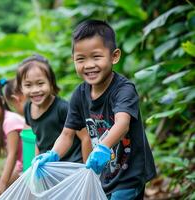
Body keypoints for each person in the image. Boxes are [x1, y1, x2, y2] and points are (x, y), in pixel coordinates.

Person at [33, 20, 156, 199]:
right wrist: (52, 155)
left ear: (114, 56)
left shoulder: (123, 90)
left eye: (96, 57)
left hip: (130, 172)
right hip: (104, 174)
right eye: (81, 59)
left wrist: (103, 148)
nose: (89, 65)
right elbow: (67, 134)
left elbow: (122, 124)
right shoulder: (79, 95)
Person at [16, 54, 92, 162]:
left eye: (40, 83)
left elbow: (85, 138)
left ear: (51, 83)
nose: (35, 90)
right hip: (49, 165)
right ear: (21, 88)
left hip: (72, 164)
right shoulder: (28, 108)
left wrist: (86, 170)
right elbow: (39, 140)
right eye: (28, 85)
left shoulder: (63, 108)